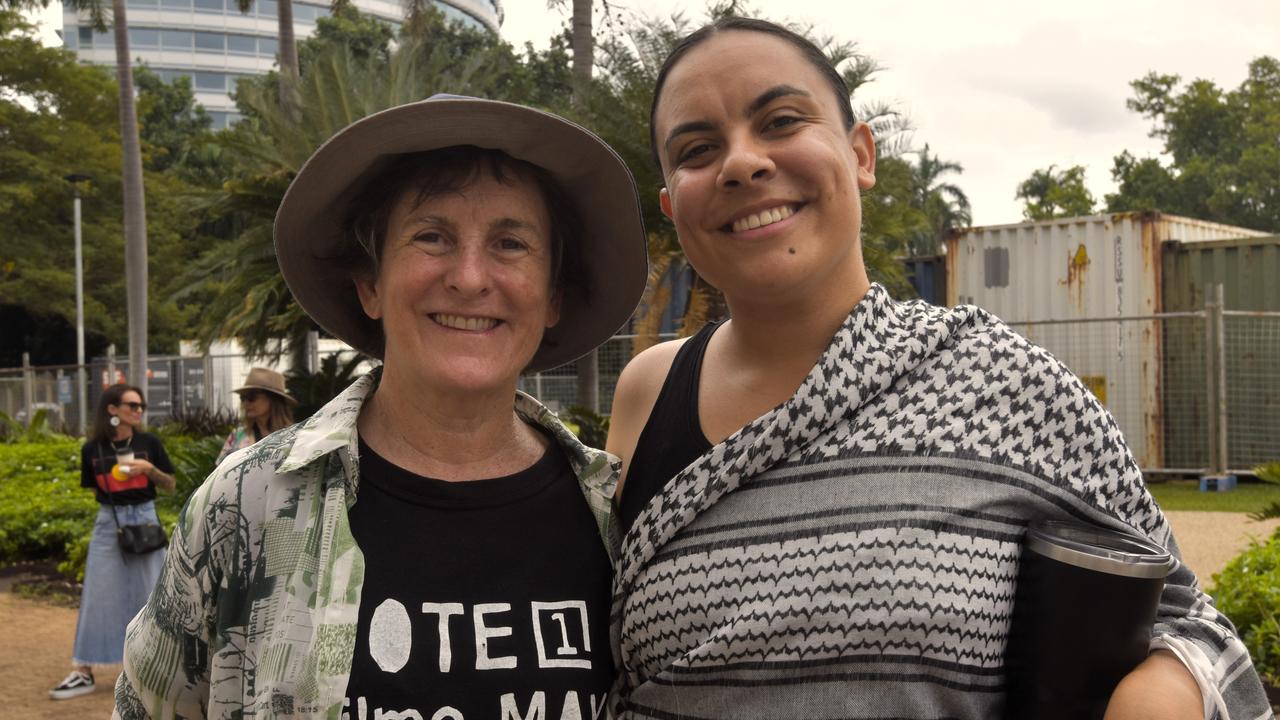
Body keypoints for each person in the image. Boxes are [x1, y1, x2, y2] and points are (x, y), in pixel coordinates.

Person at [605, 17, 1271, 720]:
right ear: (674, 206)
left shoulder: (1011, 388)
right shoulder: (648, 394)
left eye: (780, 120)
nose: (741, 162)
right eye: (699, 148)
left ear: (861, 153)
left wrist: (1162, 690)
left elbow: (1186, 620)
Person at [114, 96, 647, 719]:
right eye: (431, 236)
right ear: (369, 284)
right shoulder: (248, 505)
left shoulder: (614, 516)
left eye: (510, 243)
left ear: (552, 296)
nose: (471, 277)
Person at [49, 384, 176, 700]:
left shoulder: (149, 443)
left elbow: (171, 485)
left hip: (145, 517)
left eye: (140, 406)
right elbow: (94, 489)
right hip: (109, 521)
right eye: (132, 405)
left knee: (153, 593)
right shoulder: (93, 449)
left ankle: (154, 668)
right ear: (112, 409)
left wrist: (148, 470)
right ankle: (83, 670)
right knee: (98, 593)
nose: (138, 410)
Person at [215, 366, 296, 464]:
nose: (246, 403)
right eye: (243, 398)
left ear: (273, 399)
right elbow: (219, 471)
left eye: (251, 397)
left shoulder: (293, 436)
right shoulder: (237, 435)